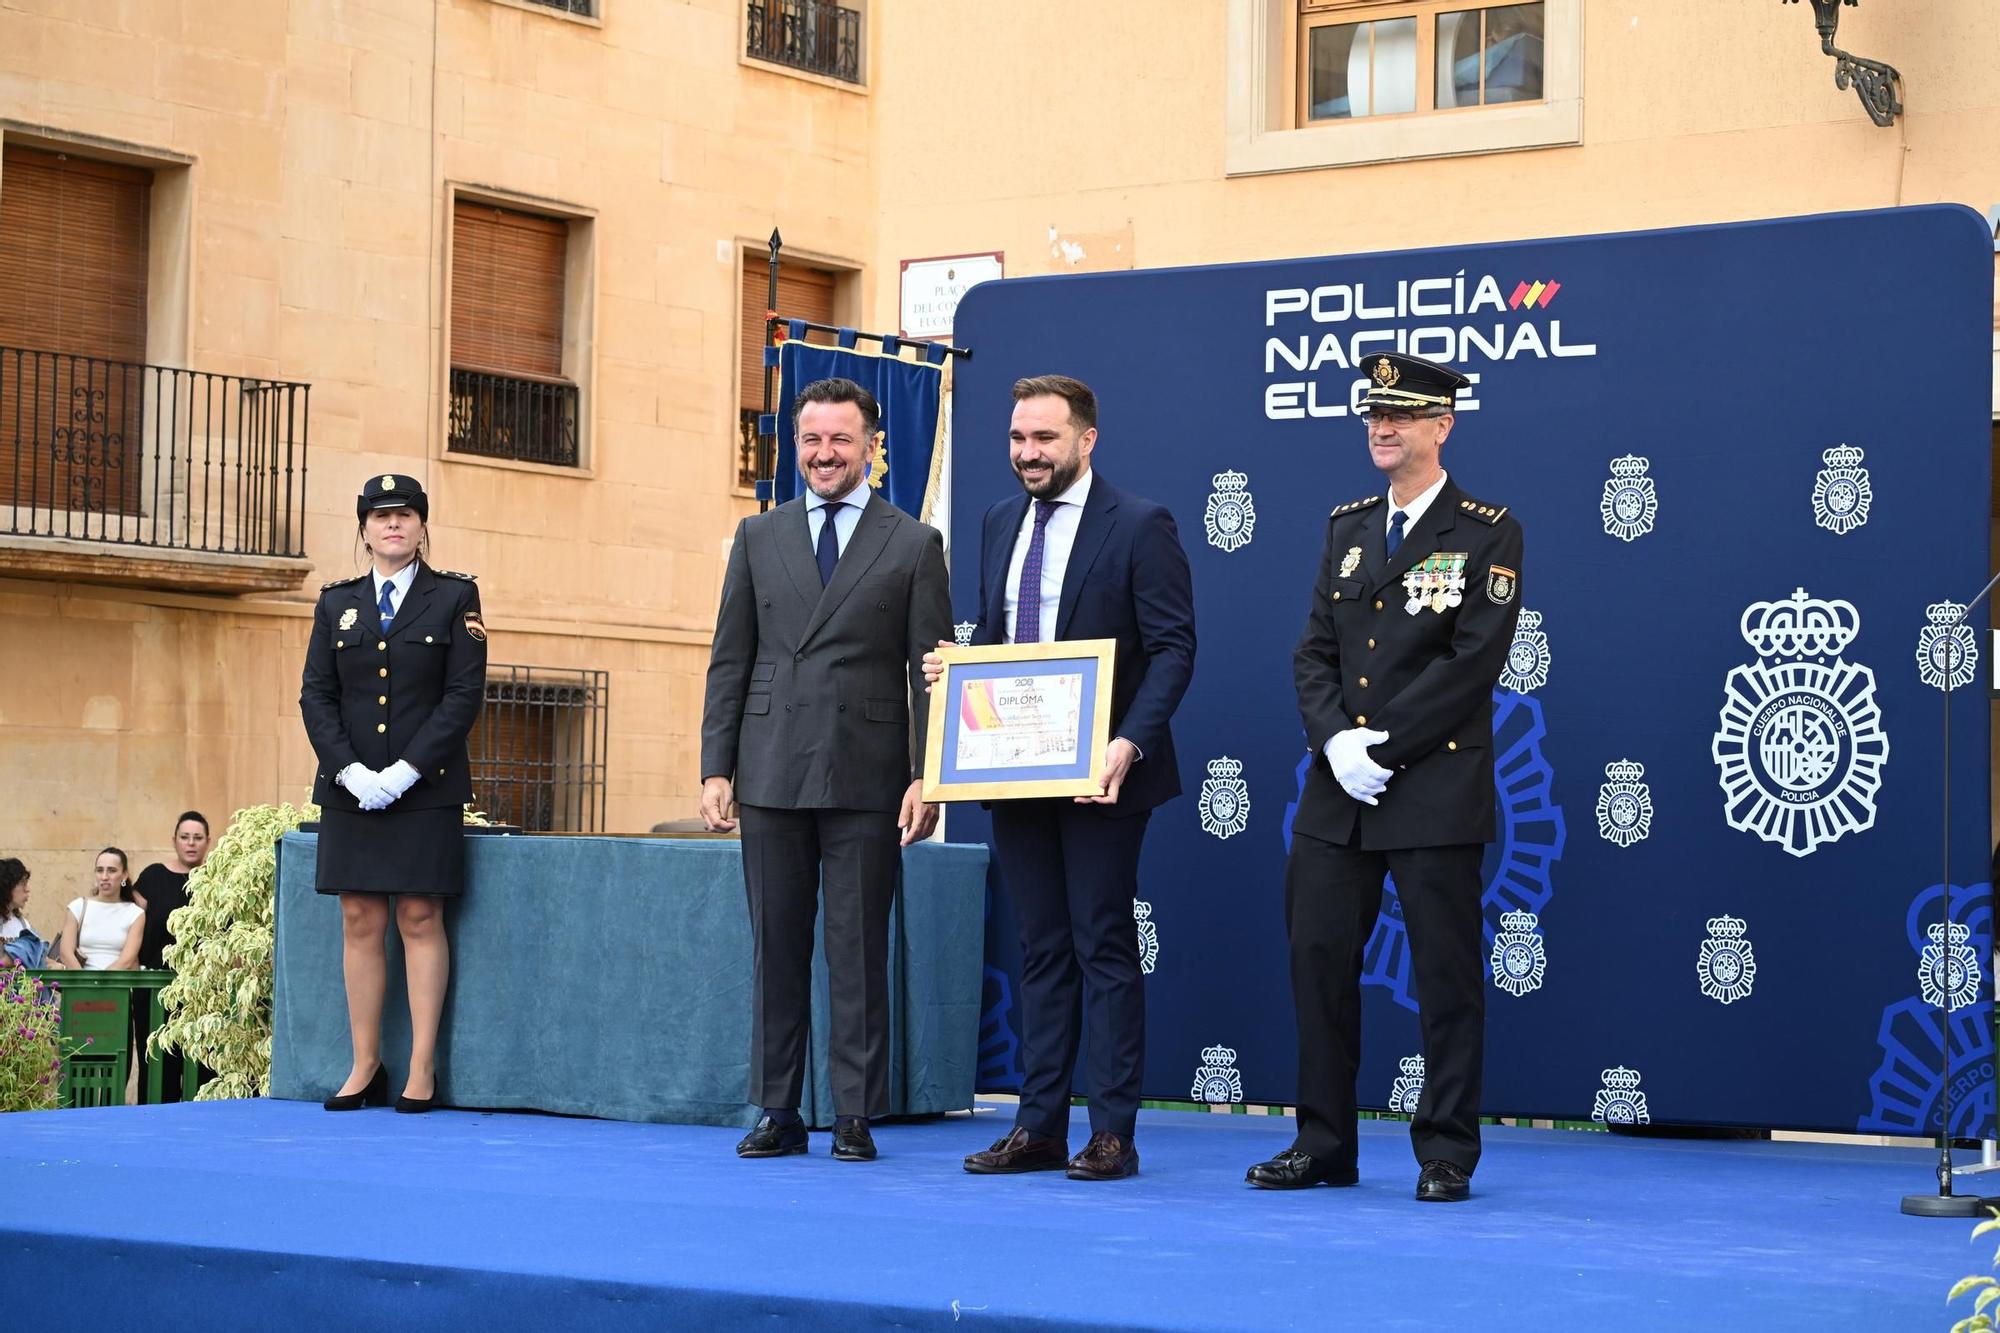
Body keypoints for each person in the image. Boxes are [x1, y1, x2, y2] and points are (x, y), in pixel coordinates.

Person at [1244, 351, 1523, 1204]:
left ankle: (1445, 1151)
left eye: (1400, 413)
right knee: (1318, 962)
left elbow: (1473, 663)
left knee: (1445, 978)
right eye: (1373, 411)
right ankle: (1323, 1141)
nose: (1381, 425)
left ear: (1443, 425)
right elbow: (1315, 650)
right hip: (1339, 792)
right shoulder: (1348, 526)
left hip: (1432, 785)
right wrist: (1334, 744)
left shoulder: (1486, 530)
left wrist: (1381, 746)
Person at [931, 374, 1196, 1182]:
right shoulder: (997, 520)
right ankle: (1039, 1126)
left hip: (1104, 775)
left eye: (1044, 438)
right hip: (1020, 771)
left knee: (1102, 945)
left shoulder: (1142, 524)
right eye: (1017, 438)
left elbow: (1174, 648)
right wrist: (959, 671)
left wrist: (1127, 744)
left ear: (1086, 439)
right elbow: (1008, 648)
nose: (1026, 453)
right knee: (1040, 949)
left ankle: (1112, 1132)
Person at [700, 377, 951, 1163]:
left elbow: (928, 670)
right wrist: (716, 766)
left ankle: (853, 1109)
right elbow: (729, 658)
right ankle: (778, 1107)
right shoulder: (756, 535)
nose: (824, 454)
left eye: (841, 439)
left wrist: (926, 774)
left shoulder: (913, 542)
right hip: (769, 767)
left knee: (857, 947)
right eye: (811, 440)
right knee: (776, 945)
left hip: (868, 773)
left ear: (872, 447)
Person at [300, 473, 487, 1114]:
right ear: (364, 528)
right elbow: (317, 695)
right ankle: (364, 1063)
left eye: (405, 515)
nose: (393, 526)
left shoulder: (454, 597)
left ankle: (422, 1067)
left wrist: (408, 770)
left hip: (424, 787)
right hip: (352, 789)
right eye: (380, 517)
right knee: (359, 917)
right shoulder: (336, 603)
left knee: (418, 916)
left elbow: (462, 695)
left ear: (421, 524)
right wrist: (350, 772)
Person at [133, 811, 211, 970]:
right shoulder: (153, 876)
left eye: (198, 838)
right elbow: (127, 919)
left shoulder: (216, 879)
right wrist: (120, 880)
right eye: (184, 837)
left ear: (208, 842)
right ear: (174, 841)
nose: (191, 843)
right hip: (153, 977)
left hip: (202, 980)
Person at [56, 848, 145, 970]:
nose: (104, 877)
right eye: (99, 870)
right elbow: (66, 953)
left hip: (116, 985)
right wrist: (86, 983)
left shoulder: (135, 913)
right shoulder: (77, 906)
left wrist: (100, 984)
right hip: (80, 985)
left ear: (124, 875)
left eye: (112, 871)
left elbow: (127, 960)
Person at [0, 857, 50, 968]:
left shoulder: (22, 923)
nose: (27, 889)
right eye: (23, 883)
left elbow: (38, 955)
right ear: (7, 886)